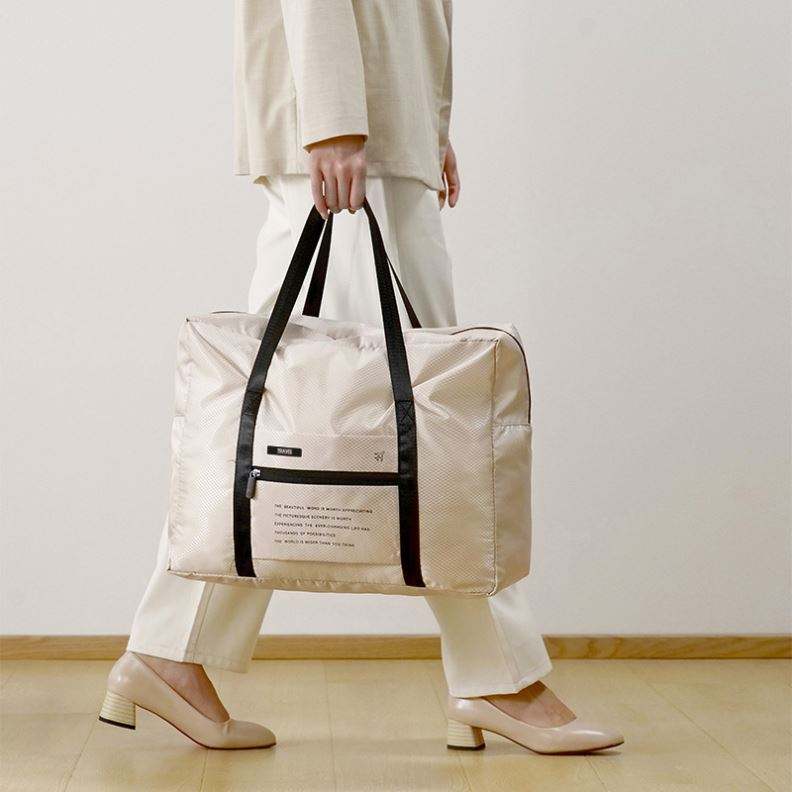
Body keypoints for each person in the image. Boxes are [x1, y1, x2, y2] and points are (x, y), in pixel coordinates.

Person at [100, 0, 623, 753]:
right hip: (354, 137)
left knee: (284, 421)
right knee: (443, 427)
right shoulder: (343, 131)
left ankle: (169, 650)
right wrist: (337, 123)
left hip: (378, 127)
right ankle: (496, 678)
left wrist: (424, 125)